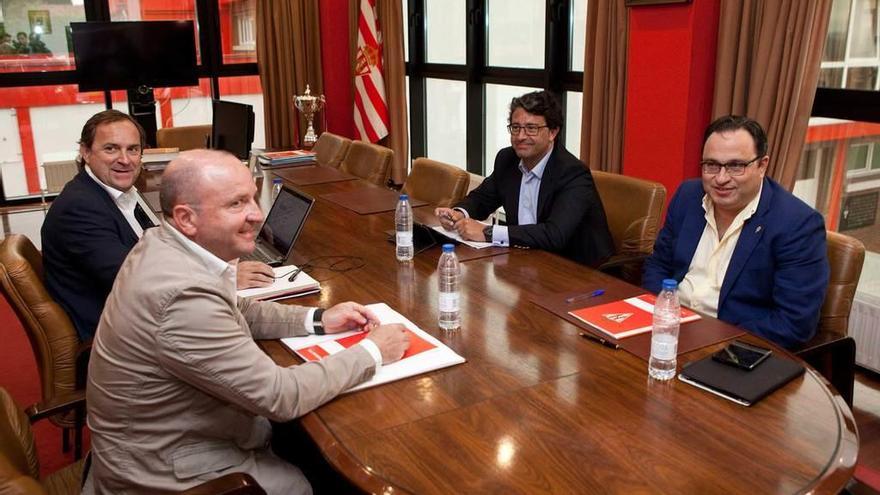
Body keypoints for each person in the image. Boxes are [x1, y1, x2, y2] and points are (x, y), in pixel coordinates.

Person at [83, 149, 411, 494]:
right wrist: (374, 351)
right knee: (313, 477)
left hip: (164, 435)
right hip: (163, 470)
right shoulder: (183, 296)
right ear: (186, 218)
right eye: (236, 204)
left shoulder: (164, 243)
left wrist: (319, 319)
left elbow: (239, 310)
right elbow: (281, 396)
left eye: (253, 198)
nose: (256, 214)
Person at [41, 110, 274, 341]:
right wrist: (226, 275)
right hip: (123, 336)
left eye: (132, 149)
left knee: (258, 316)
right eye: (111, 148)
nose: (125, 159)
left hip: (143, 314)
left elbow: (161, 246)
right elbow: (136, 281)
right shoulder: (79, 209)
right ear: (86, 152)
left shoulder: (120, 192)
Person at [643, 115, 829, 349]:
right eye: (712, 165)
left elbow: (794, 323)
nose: (721, 178)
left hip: (732, 346)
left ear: (762, 165)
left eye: (735, 166)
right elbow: (658, 265)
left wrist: (714, 339)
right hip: (667, 330)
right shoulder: (688, 196)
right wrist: (659, 314)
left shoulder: (797, 224)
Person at [434, 90, 614, 267]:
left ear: (552, 132)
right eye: (516, 127)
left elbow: (554, 235)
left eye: (531, 128)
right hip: (525, 262)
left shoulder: (572, 173)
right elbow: (482, 199)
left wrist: (488, 232)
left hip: (577, 272)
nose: (520, 137)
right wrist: (459, 214)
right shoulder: (507, 159)